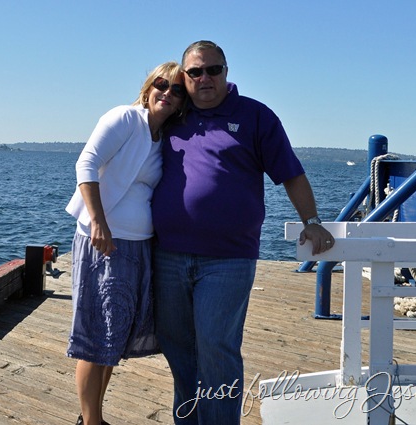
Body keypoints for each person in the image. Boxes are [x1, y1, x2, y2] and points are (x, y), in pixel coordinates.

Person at [151, 41, 335, 424]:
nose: (205, 78)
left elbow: (291, 173)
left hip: (228, 259)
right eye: (195, 72)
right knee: (179, 349)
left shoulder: (255, 116)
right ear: (183, 76)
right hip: (167, 254)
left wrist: (312, 221)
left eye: (213, 70)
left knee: (216, 347)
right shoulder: (171, 114)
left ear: (226, 71)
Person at [65, 61, 186, 425]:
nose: (167, 93)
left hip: (137, 247)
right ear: (148, 88)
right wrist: (98, 222)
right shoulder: (125, 118)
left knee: (113, 335)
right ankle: (91, 421)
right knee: (95, 335)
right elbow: (86, 164)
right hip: (104, 243)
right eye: (161, 84)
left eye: (177, 89)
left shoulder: (162, 137)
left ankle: (93, 416)